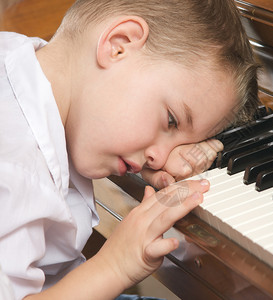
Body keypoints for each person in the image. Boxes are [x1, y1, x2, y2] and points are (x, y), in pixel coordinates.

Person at [0, 0, 259, 299]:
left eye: (184, 143)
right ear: (118, 45)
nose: (161, 158)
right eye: (172, 120)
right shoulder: (16, 170)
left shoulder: (20, 61)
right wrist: (117, 265)